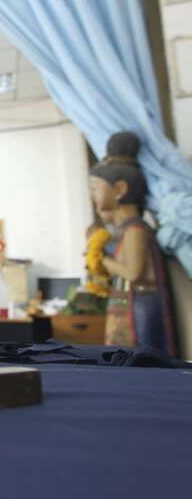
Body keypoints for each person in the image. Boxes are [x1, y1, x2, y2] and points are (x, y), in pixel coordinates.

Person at [88, 131, 176, 355]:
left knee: (142, 363)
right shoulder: (123, 231)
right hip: (127, 304)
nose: (93, 196)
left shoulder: (135, 229)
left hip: (140, 307)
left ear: (120, 189)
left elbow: (134, 272)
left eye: (95, 188)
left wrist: (103, 259)